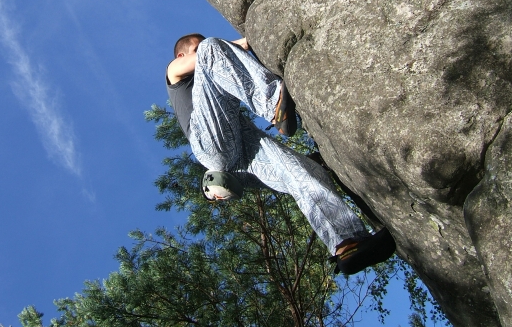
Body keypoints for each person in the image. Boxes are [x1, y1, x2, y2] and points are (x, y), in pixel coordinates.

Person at [166, 34, 395, 275]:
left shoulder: (213, 83)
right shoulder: (174, 72)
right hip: (209, 145)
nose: (200, 49)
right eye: (195, 47)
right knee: (212, 48)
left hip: (240, 154)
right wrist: (250, 38)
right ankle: (272, 101)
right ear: (182, 55)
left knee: (303, 173)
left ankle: (348, 244)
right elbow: (208, 54)